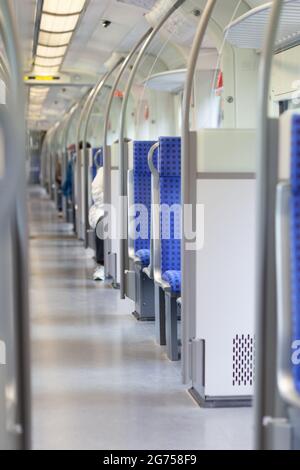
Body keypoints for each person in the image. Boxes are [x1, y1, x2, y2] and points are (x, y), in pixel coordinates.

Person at [89, 164, 105, 281]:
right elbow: (96, 192)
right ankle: (102, 264)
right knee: (102, 225)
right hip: (104, 207)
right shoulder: (104, 170)